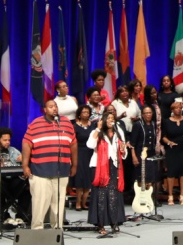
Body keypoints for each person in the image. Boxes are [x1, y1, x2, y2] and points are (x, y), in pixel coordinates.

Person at [22, 98, 77, 229]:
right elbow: (26, 144)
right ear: (45, 110)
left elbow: (73, 144)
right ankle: (37, 230)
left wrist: (75, 164)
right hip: (40, 170)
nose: (54, 108)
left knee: (58, 203)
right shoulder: (35, 124)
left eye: (55, 106)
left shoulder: (66, 123)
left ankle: (57, 230)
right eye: (51, 106)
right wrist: (25, 165)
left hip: (61, 170)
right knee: (40, 202)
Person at [86, 109, 127, 235]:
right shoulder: (97, 132)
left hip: (114, 165)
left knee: (114, 194)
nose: (111, 120)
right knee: (101, 195)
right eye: (108, 118)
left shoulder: (118, 132)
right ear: (103, 121)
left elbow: (123, 150)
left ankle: (114, 222)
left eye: (112, 119)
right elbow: (90, 145)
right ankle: (100, 224)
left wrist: (123, 150)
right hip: (99, 166)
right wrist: (98, 129)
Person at [161, 99, 183, 205]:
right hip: (172, 149)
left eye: (180, 108)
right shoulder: (167, 121)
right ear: (172, 110)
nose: (179, 110)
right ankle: (170, 196)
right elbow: (163, 137)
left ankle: (182, 196)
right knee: (171, 173)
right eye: (176, 108)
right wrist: (169, 142)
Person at [70, 105, 95, 211]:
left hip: (90, 153)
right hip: (79, 153)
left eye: (87, 112)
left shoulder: (93, 126)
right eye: (84, 112)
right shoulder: (75, 126)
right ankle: (78, 203)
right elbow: (72, 142)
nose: (86, 114)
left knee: (88, 178)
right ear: (79, 114)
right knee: (80, 179)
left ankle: (84, 203)